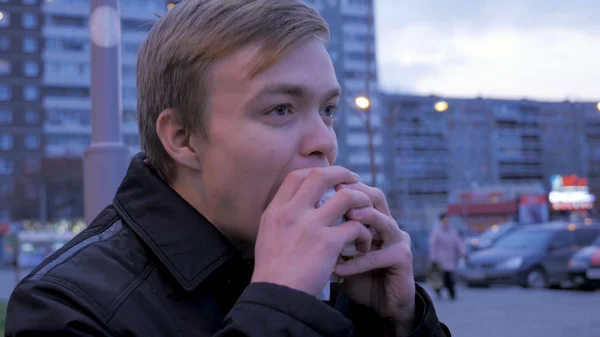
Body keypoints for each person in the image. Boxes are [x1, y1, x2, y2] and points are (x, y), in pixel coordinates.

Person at [6, 1, 450, 336]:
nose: (324, 142)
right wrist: (281, 307)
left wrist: (400, 322)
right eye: (280, 109)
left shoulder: (338, 278)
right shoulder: (65, 307)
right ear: (182, 137)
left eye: (328, 109)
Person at [428, 213, 464, 301]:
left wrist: (463, 253)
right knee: (441, 277)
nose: (446, 222)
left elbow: (458, 244)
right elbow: (433, 245)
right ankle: (439, 291)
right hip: (440, 259)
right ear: (441, 221)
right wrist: (433, 258)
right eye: (445, 220)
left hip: (450, 258)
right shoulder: (437, 231)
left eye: (448, 220)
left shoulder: (452, 231)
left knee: (448, 277)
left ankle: (451, 294)